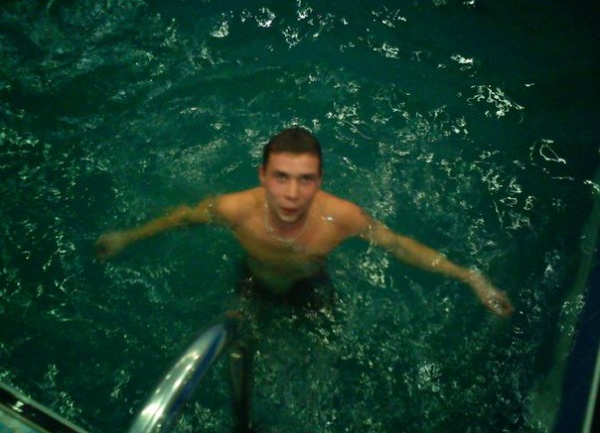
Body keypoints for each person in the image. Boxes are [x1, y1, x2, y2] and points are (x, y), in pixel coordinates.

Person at [95, 127, 513, 318]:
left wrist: (471, 278)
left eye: (305, 179)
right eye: (281, 177)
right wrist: (127, 237)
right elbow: (183, 218)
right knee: (243, 340)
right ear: (263, 176)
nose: (292, 194)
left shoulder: (341, 218)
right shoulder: (234, 209)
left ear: (320, 181)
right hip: (252, 280)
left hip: (312, 285)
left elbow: (398, 244)